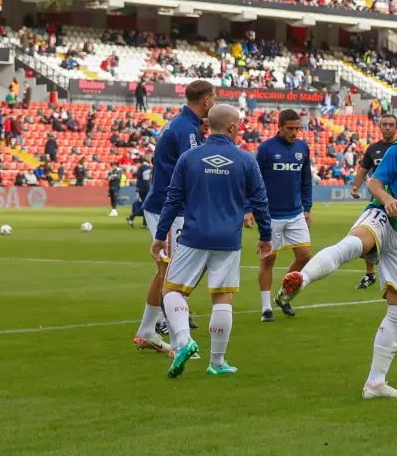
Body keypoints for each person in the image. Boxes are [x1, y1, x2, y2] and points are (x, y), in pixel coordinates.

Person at [281, 99, 397, 399]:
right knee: (354, 244)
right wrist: (388, 199)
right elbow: (375, 183)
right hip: (384, 217)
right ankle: (303, 278)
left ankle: (375, 384)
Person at [153, 103, 271, 378]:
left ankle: (183, 341)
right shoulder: (245, 159)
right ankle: (217, 363)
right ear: (231, 127)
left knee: (172, 291)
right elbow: (260, 201)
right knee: (222, 299)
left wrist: (160, 236)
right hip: (228, 240)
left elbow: (172, 199)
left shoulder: (189, 158)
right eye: (238, 124)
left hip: (193, 236)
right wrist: (265, 236)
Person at [132, 80, 213, 354]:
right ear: (205, 101)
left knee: (168, 271)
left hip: (167, 205)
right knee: (171, 272)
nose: (213, 103)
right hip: (169, 208)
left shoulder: (180, 124)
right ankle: (179, 338)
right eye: (212, 98)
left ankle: (148, 330)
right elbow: (193, 170)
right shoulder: (186, 129)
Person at [257, 109, 314, 321]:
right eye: (290, 128)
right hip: (271, 215)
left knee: (305, 255)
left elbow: (306, 181)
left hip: (296, 212)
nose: (294, 132)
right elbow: (255, 181)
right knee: (268, 259)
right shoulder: (266, 149)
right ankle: (266, 308)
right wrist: (251, 209)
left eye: (297, 128)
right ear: (279, 127)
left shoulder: (302, 148)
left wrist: (307, 208)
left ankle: (283, 296)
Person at [350, 113, 397, 289]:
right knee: (369, 235)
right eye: (384, 124)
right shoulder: (373, 149)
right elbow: (363, 170)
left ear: (396, 127)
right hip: (378, 200)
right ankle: (370, 274)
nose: (388, 127)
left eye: (391, 124)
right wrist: (355, 187)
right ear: (379, 127)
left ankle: (396, 273)